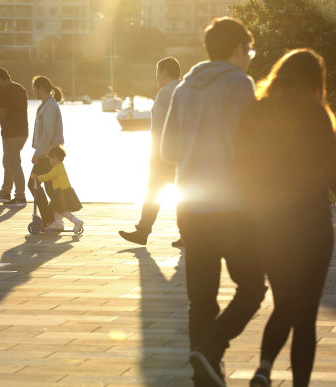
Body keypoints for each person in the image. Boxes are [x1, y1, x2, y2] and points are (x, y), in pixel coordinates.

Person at [233, 49, 336, 387]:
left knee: (284, 303)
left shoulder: (255, 111)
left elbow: (240, 169)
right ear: (315, 81)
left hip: (270, 227)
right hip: (312, 227)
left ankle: (264, 368)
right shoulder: (314, 113)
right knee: (305, 313)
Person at [160, 17, 267, 386]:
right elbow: (249, 149)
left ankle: (202, 376)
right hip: (232, 208)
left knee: (200, 299)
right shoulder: (239, 85)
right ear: (238, 49)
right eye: (249, 49)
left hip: (189, 207)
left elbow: (168, 151)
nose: (250, 56)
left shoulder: (183, 88)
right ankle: (212, 348)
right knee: (253, 286)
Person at [119, 57, 183, 247]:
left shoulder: (164, 94)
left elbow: (159, 126)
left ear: (164, 72)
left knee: (153, 192)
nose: (156, 76)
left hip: (163, 154)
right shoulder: (186, 91)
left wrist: (153, 153)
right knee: (184, 194)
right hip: (182, 152)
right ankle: (188, 234)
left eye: (157, 72)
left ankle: (142, 232)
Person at [0, 68, 28, 207]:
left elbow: (3, 114)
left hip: (11, 133)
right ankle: (5, 193)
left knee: (14, 164)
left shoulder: (4, 91)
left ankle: (20, 196)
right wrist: (0, 108)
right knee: (8, 162)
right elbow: (15, 108)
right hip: (23, 132)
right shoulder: (20, 88)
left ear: (0, 78)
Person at [28, 75, 64, 227]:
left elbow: (47, 133)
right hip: (47, 153)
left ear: (41, 88)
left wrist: (37, 154)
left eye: (35, 89)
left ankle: (50, 219)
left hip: (47, 154)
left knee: (33, 183)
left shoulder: (49, 106)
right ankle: (55, 219)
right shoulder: (46, 104)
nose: (34, 92)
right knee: (49, 186)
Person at [31, 145, 83, 233]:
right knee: (56, 209)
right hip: (61, 191)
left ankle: (77, 221)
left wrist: (37, 177)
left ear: (55, 158)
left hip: (62, 192)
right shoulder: (59, 166)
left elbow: (49, 176)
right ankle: (59, 223)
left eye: (50, 158)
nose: (50, 161)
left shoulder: (58, 168)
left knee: (62, 210)